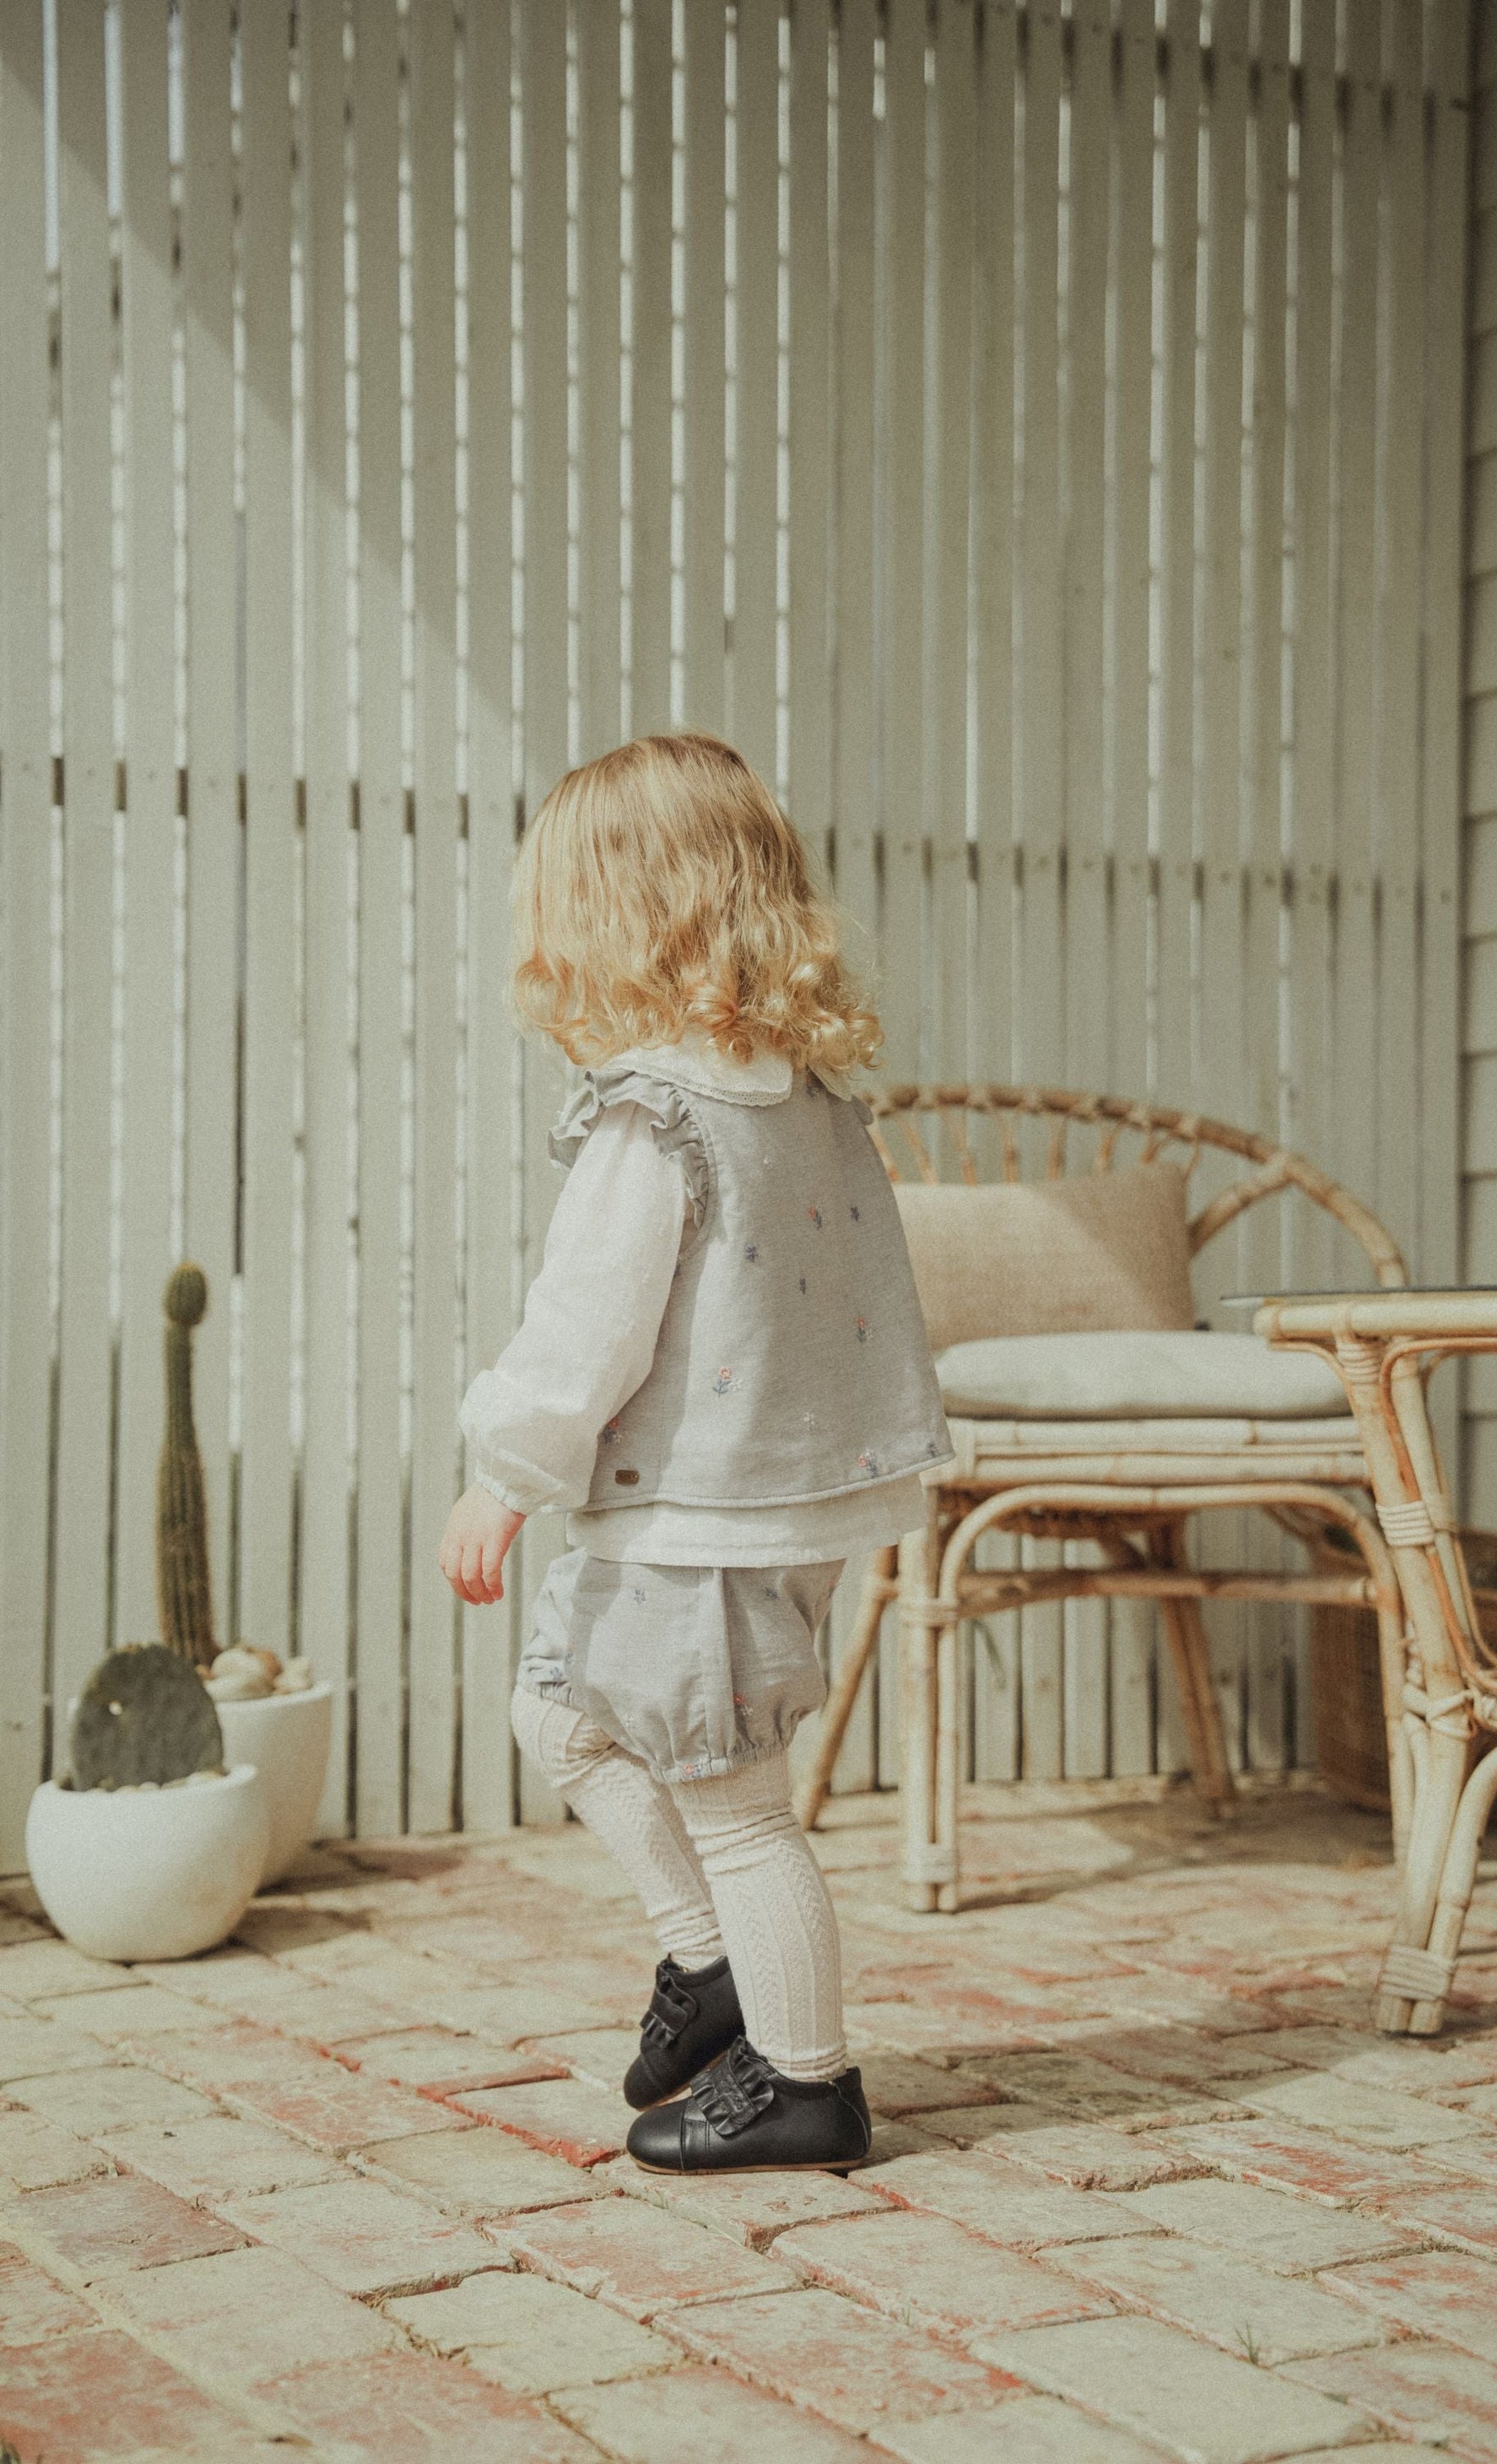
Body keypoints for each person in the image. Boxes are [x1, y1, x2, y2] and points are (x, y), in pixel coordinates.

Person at [437, 730, 951, 2174]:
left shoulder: (653, 1114)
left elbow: (584, 1330)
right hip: (767, 1508)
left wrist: (504, 1477)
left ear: (608, 919)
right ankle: (713, 1965)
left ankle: (803, 2083)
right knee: (562, 1714)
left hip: (702, 1523)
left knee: (735, 1805)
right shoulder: (807, 1106)